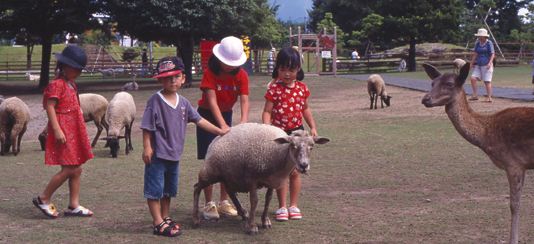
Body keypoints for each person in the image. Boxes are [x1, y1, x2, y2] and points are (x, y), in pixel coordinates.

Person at [141, 56, 230, 237]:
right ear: (160, 79)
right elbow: (147, 126)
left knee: (168, 190)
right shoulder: (154, 101)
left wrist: (220, 131)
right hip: (158, 155)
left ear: (183, 78)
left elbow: (199, 120)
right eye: (167, 77)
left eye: (176, 76)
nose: (172, 81)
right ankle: (157, 222)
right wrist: (146, 147)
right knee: (154, 190)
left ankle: (165, 217)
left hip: (174, 156)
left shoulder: (183, 103)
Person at [32, 45, 94, 218]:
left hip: (73, 130)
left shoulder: (71, 84)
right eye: (75, 69)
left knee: (78, 167)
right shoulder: (56, 84)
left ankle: (73, 205)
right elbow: (50, 107)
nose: (78, 73)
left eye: (80, 70)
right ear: (63, 65)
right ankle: (43, 198)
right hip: (63, 131)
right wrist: (57, 129)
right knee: (68, 169)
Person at [262, 47, 318, 221]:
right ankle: (282, 207)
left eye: (291, 70)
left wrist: (313, 127)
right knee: (283, 171)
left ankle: (293, 205)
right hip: (280, 135)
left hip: (298, 134)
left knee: (296, 172)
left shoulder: (302, 88)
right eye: (282, 69)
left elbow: (306, 109)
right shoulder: (274, 89)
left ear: (298, 70)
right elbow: (267, 112)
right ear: (277, 68)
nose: (286, 74)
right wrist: (266, 128)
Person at [196, 36, 249, 220]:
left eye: (233, 63)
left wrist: (243, 121)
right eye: (227, 62)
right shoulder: (209, 74)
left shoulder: (242, 75)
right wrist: (222, 126)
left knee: (228, 160)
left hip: (227, 114)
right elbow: (211, 102)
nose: (230, 66)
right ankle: (209, 204)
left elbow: (244, 99)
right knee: (210, 161)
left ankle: (224, 202)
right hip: (207, 116)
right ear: (218, 58)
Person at [469, 28, 495, 103]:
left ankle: (489, 97)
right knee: (473, 78)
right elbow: (475, 54)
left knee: (487, 81)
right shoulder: (477, 44)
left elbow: (492, 54)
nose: (479, 37)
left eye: (480, 36)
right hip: (479, 64)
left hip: (486, 63)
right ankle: (475, 95)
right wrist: (471, 63)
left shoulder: (489, 43)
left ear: (484, 36)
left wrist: (490, 62)